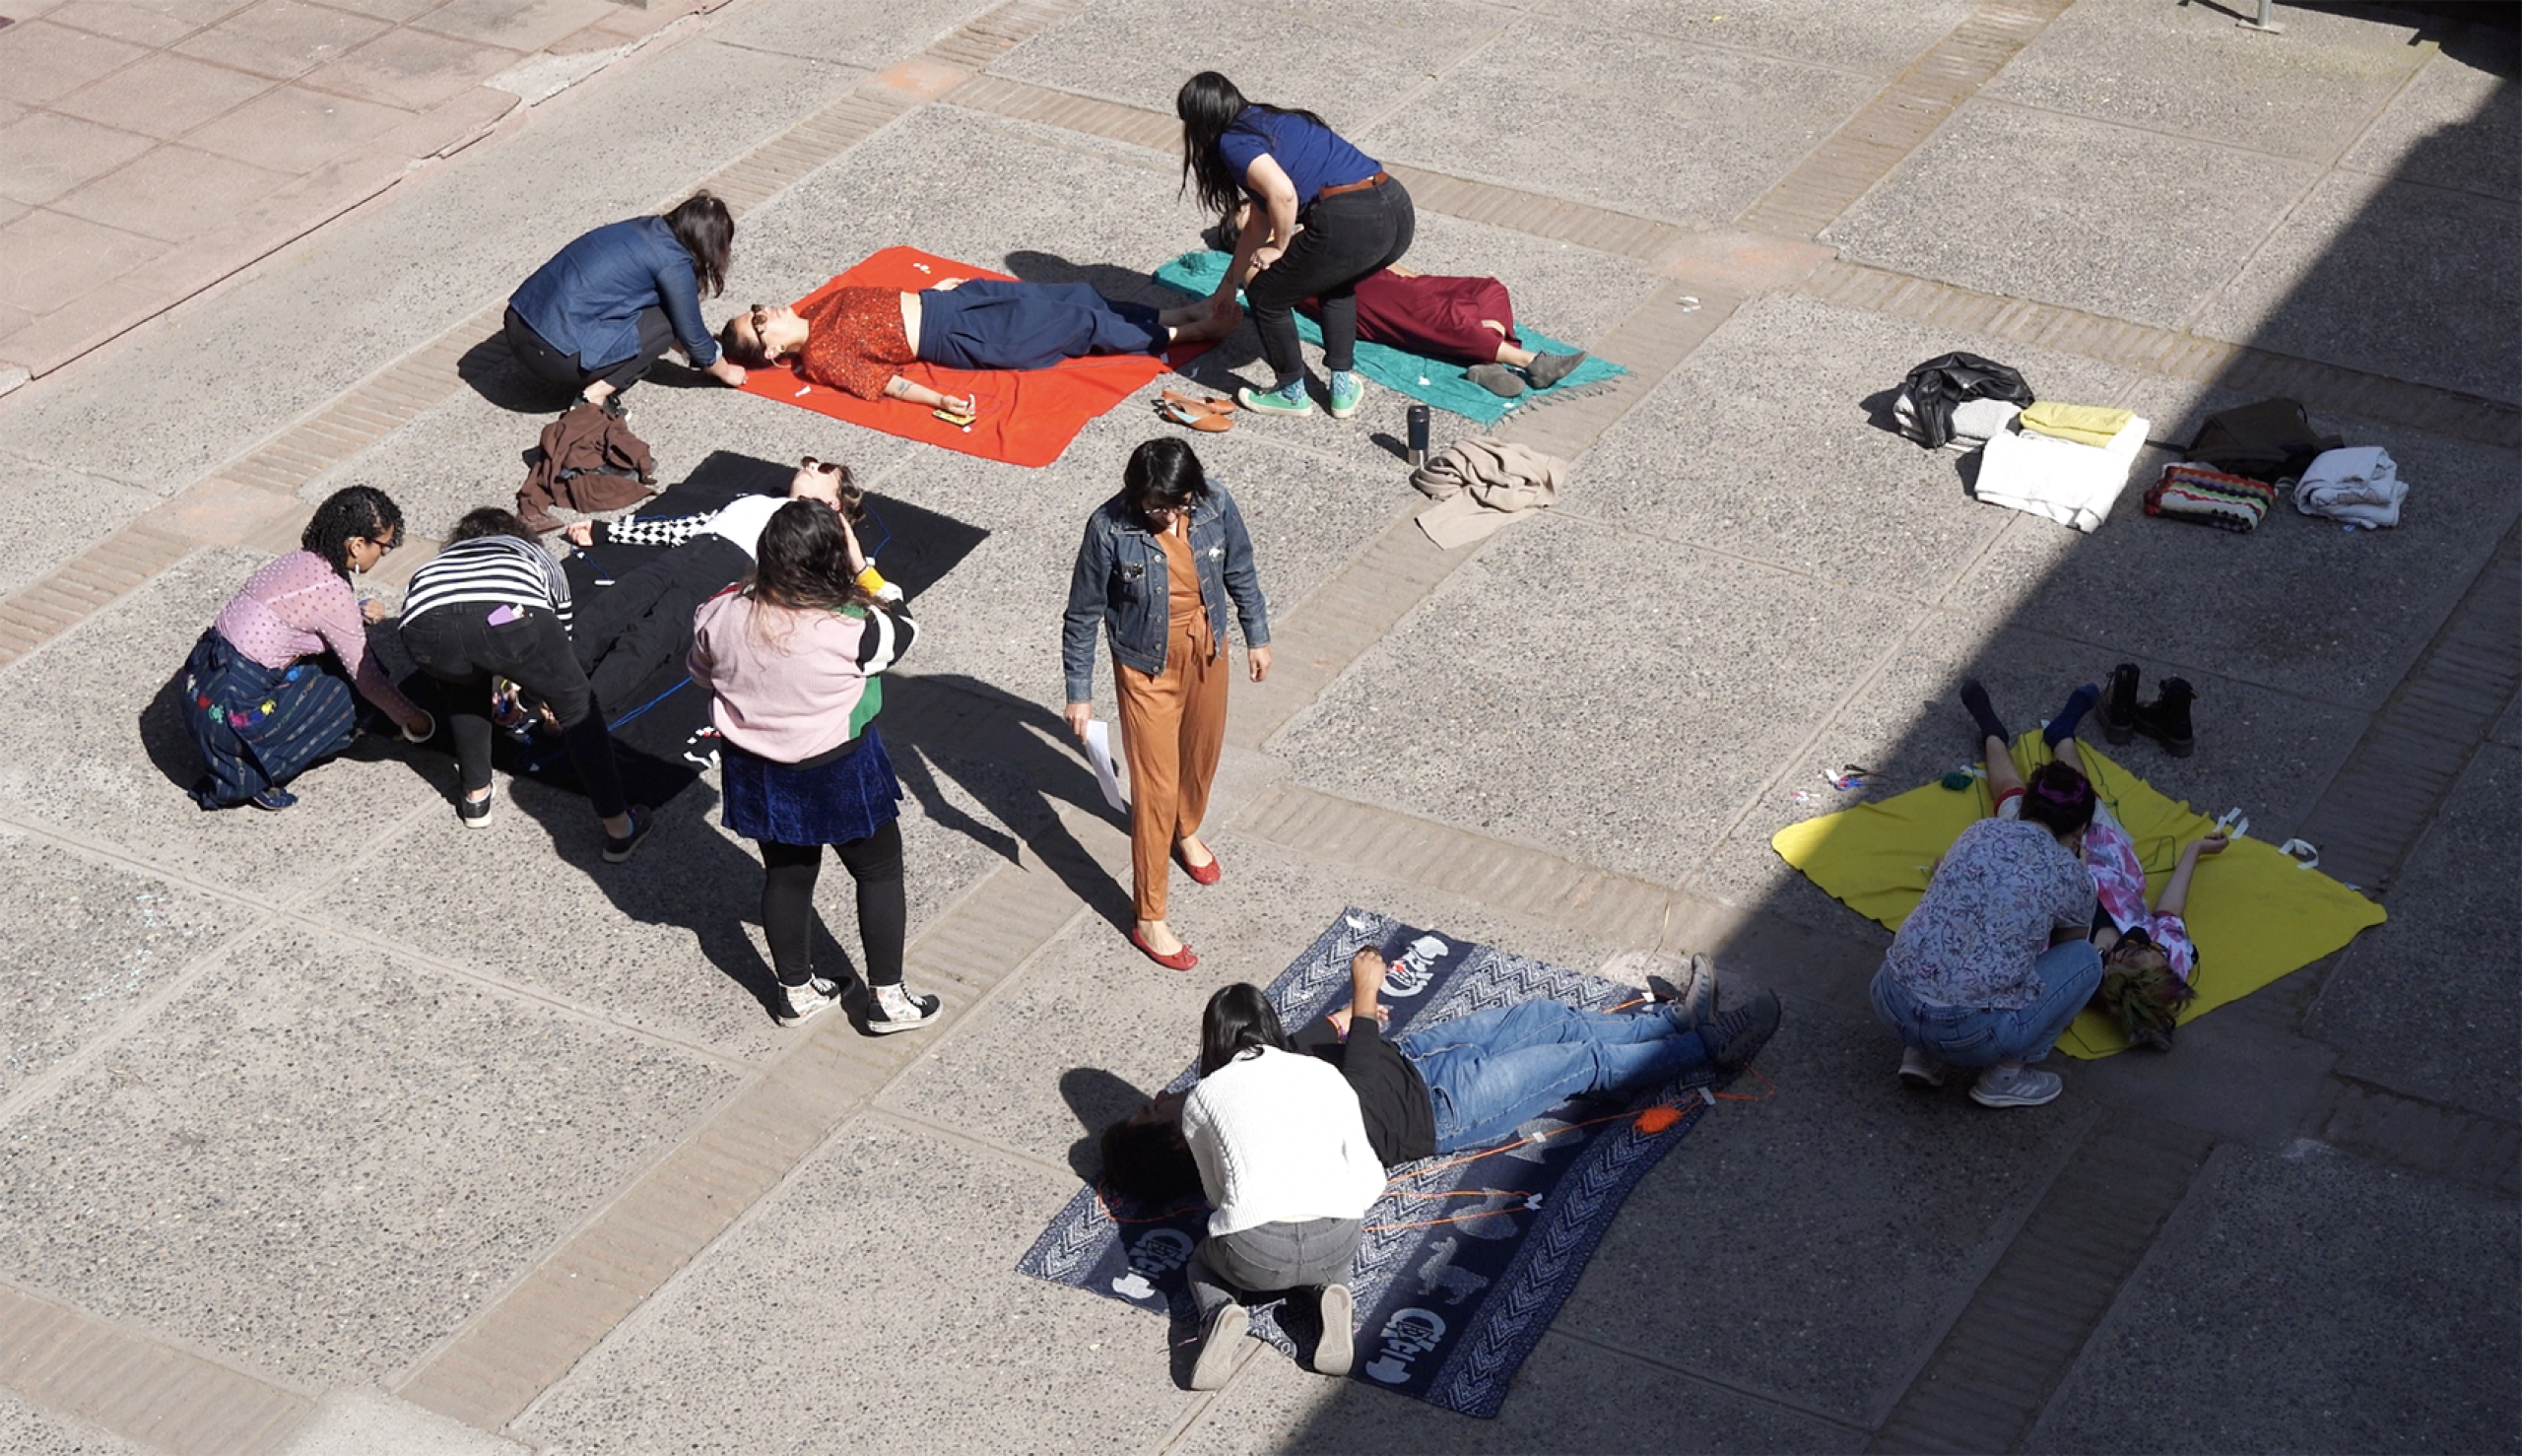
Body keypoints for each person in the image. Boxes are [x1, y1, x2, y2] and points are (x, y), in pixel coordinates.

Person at [1101, 949, 1779, 1205]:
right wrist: (1362, 1005)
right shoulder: (1231, 1136)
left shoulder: (1215, 1097)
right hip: (1439, 1109)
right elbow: (1356, 1096)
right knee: (1578, 1063)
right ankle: (1704, 1050)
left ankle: (1667, 1027)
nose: (1157, 1095)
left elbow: (1282, 1058)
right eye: (1144, 1112)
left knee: (1551, 1019)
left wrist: (1326, 1029)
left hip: (1414, 1058)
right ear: (1159, 1142)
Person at [686, 500, 941, 1033]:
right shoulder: (856, 628)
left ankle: (796, 993)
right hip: (840, 768)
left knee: (787, 876)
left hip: (757, 770)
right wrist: (863, 566)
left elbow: (702, 675)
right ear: (832, 563)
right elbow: (906, 625)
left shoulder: (719, 611)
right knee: (878, 871)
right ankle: (888, 1000)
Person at [1060, 438, 1271, 969]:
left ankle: (1188, 828)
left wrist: (1257, 634)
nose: (1167, 516)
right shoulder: (1109, 527)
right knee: (1153, 788)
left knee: (1201, 755)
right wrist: (1079, 693)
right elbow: (1083, 613)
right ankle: (1149, 915)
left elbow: (1239, 568)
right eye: (1155, 506)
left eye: (1176, 505)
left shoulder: (1216, 503)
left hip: (1207, 648)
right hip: (1144, 665)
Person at [1869, 680, 2105, 1108]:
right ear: (2079, 831)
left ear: (2025, 805)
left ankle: (1921, 1053)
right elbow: (2064, 955)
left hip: (1891, 1000)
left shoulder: (1980, 832)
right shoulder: (2071, 873)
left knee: (1954, 924)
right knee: (2085, 962)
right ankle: (2005, 1075)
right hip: (1970, 1033)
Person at [397, 507, 651, 860]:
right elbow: (555, 639)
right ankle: (620, 828)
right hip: (506, 614)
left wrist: (503, 683)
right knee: (577, 704)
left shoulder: (441, 563)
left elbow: (467, 630)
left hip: (424, 630)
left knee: (465, 687)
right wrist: (541, 695)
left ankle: (475, 797)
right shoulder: (533, 554)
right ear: (515, 533)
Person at [1174, 983, 1386, 1390]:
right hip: (1337, 1232)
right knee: (1331, 1256)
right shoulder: (1324, 1073)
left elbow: (1216, 1197)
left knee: (1202, 1261)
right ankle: (1332, 1290)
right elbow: (1367, 1173)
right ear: (1272, 1025)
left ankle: (1221, 1312)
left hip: (1255, 1250)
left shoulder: (1203, 1097)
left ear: (1214, 1038)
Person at [1178, 71, 1416, 419]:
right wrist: (1227, 286)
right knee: (1335, 281)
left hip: (1351, 219)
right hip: (1395, 208)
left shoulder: (1234, 141)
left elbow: (1283, 194)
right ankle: (1342, 389)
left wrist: (1280, 246)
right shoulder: (1272, 120)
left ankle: (1292, 393)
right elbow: (1259, 221)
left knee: (1267, 295)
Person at [180, 486, 434, 810]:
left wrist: (354, 615)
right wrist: (415, 721)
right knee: (351, 691)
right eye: (382, 549)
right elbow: (367, 678)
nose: (381, 557)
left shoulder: (297, 561)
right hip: (233, 721)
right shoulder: (333, 592)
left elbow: (298, 615)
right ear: (357, 545)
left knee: (333, 661)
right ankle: (257, 768)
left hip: (199, 688)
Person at [715, 277, 1233, 418]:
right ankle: (1185, 333)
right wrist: (938, 400)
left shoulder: (821, 307)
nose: (767, 312)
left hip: (961, 304)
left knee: (1070, 298)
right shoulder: (820, 356)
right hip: (960, 336)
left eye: (757, 307)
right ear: (771, 355)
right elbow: (884, 383)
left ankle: (1175, 316)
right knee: (1072, 326)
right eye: (759, 322)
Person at [1209, 204, 1585, 398]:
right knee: (1443, 319)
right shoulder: (1257, 264)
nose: (1265, 221)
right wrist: (1272, 247)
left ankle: (1484, 358)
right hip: (1360, 294)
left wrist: (1407, 271)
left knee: (1487, 289)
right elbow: (1257, 283)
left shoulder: (1302, 224)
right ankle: (1530, 362)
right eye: (1251, 223)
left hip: (1386, 276)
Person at [506, 192, 748, 412]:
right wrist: (725, 371)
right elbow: (690, 331)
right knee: (667, 323)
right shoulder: (673, 263)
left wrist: (695, 353)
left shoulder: (643, 226)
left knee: (652, 309)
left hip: (517, 323)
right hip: (553, 357)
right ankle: (593, 397)